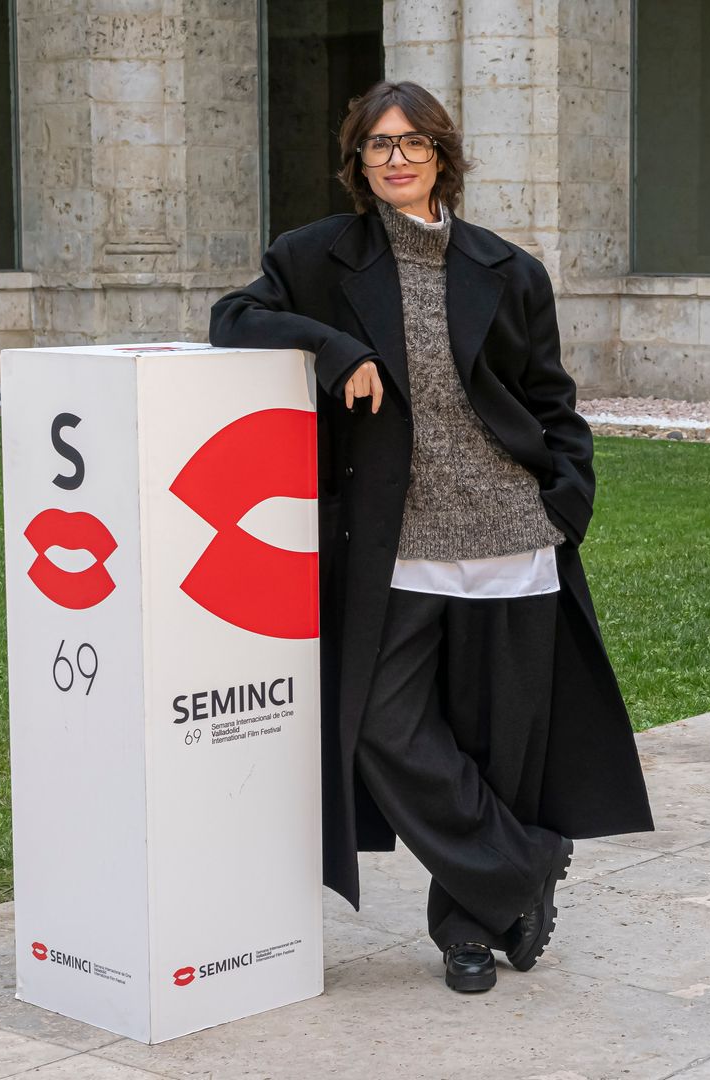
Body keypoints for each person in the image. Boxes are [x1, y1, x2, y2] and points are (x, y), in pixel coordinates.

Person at [209, 80, 654, 993]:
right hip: (395, 545)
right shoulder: (319, 259)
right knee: (376, 725)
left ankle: (467, 929)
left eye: (412, 142)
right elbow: (233, 320)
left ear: (441, 154)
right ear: (358, 164)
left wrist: (565, 502)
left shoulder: (508, 269)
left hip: (511, 537)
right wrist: (333, 351)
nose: (397, 159)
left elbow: (550, 404)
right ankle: (524, 865)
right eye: (378, 147)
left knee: (500, 743)